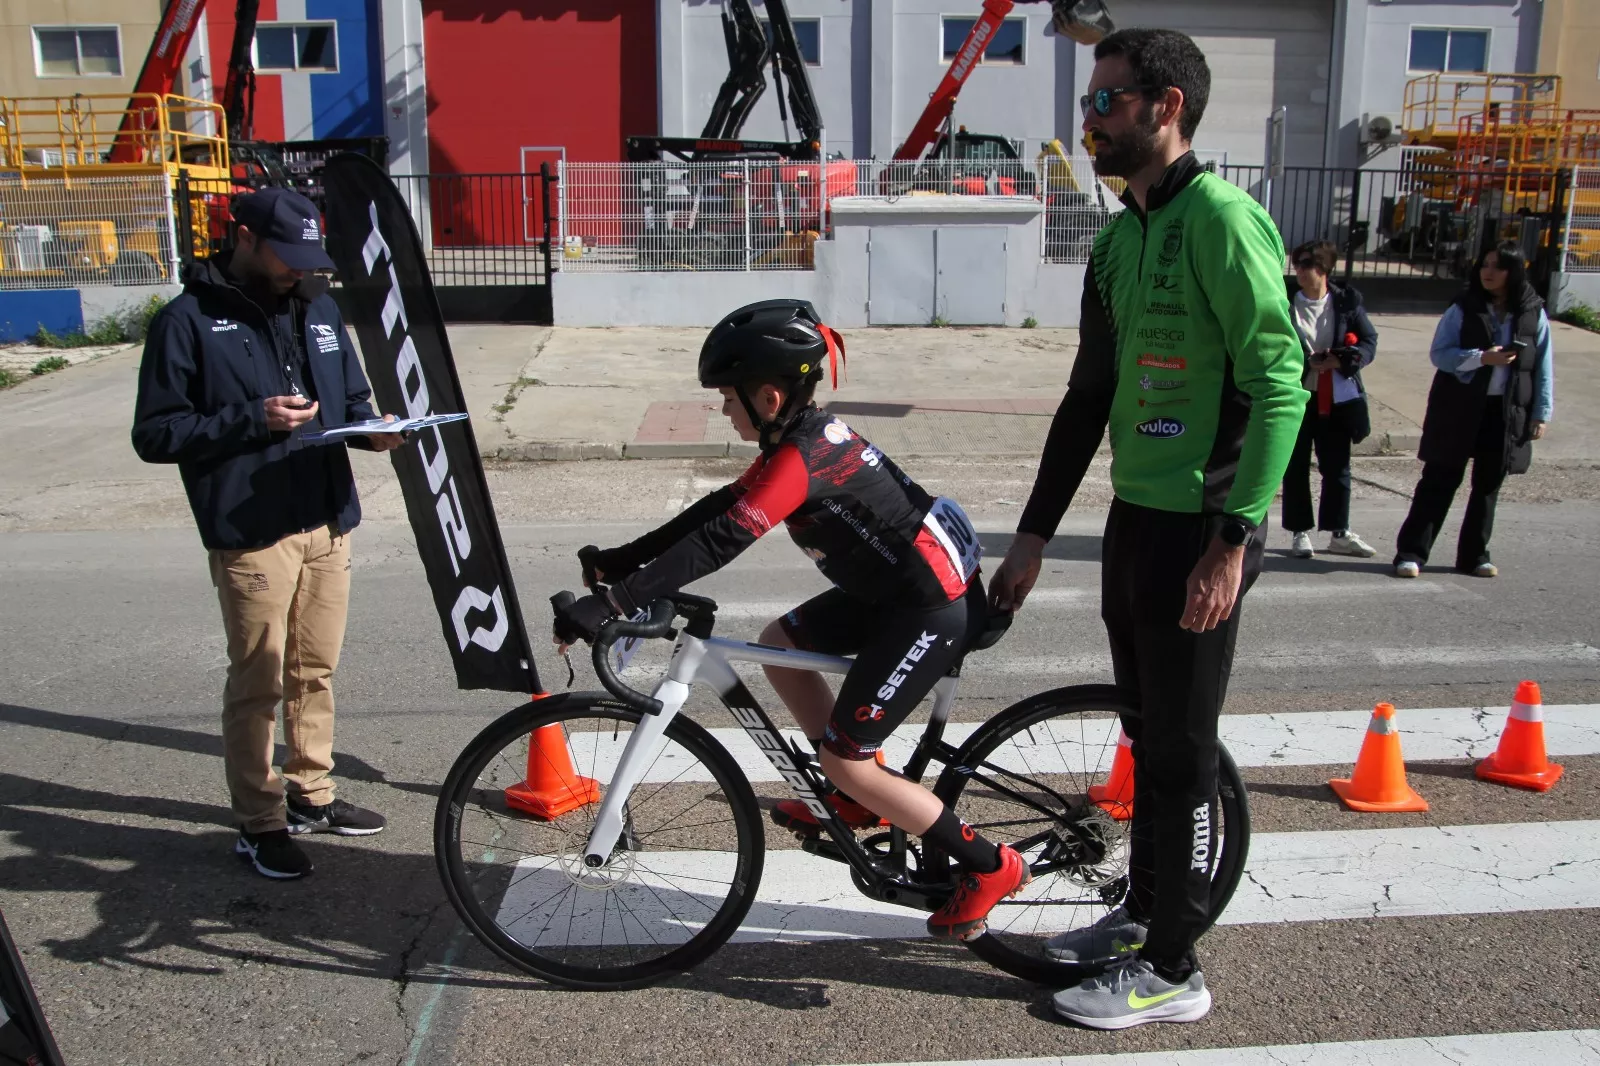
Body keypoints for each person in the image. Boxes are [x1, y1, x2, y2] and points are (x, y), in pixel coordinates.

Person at [989, 28, 1306, 1030]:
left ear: (1164, 106)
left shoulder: (1221, 218)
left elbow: (1280, 384)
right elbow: (1088, 398)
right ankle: (1139, 916)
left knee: (1178, 750)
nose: (1090, 120)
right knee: (1145, 736)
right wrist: (1035, 533)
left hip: (1201, 533)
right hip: (1134, 519)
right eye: (1091, 102)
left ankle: (1173, 966)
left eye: (1107, 101)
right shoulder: (1120, 235)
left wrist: (1233, 538)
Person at [553, 298, 1030, 942]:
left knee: (846, 758)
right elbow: (717, 509)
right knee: (781, 644)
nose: (724, 409)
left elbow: (724, 539)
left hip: (928, 608)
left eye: (729, 397)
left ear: (770, 398)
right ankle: (861, 795)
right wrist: (623, 562)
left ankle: (988, 864)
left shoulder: (801, 459)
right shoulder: (795, 443)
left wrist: (613, 604)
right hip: (897, 593)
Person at [132, 187, 403, 881]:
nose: (299, 271)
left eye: (310, 258)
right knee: (258, 685)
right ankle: (260, 821)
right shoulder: (186, 321)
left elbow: (352, 400)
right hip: (252, 535)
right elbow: (156, 433)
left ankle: (312, 792)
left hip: (326, 520)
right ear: (244, 237)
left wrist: (373, 432)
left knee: (314, 671)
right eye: (288, 256)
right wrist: (252, 419)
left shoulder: (319, 307)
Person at [1393, 242, 1555, 578]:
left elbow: (1542, 367)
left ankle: (1474, 556)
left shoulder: (1532, 311)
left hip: (1505, 411)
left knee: (1487, 486)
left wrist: (1541, 412)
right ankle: (1411, 553)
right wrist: (1482, 358)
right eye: (1485, 265)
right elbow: (1440, 353)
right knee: (1439, 480)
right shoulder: (1464, 307)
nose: (1488, 272)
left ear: (1514, 270)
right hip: (1459, 408)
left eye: (1497, 266)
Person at [1281, 239, 1380, 559]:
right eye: (1296, 264)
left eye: (1306, 264)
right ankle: (1299, 533)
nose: (1299, 271)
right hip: (1299, 394)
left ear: (1324, 269)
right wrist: (1302, 362)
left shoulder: (1346, 302)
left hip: (1337, 397)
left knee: (1337, 466)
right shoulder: (1285, 302)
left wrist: (1342, 360)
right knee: (1295, 466)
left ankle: (1339, 532)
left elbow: (1368, 341)